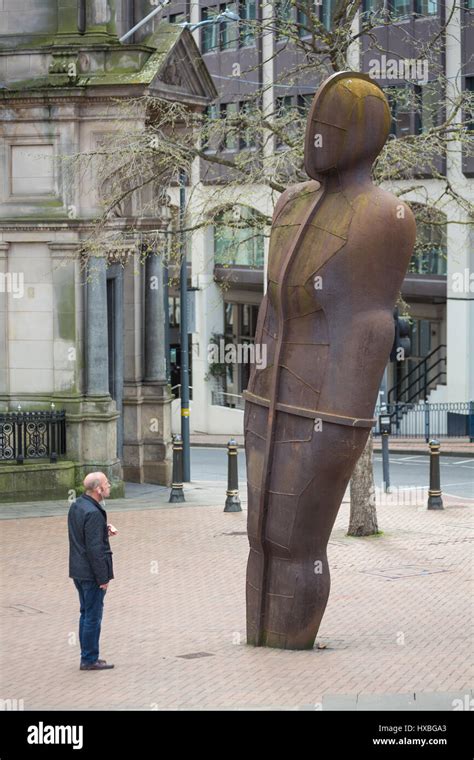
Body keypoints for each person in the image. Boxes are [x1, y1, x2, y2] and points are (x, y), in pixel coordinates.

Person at [68, 472, 118, 670]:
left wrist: (103, 530)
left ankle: (87, 655)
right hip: (91, 573)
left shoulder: (78, 505)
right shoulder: (94, 512)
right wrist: (102, 578)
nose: (109, 486)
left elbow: (83, 534)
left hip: (78, 570)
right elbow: (94, 550)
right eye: (106, 483)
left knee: (85, 613)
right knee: (93, 616)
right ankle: (89, 659)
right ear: (98, 489)